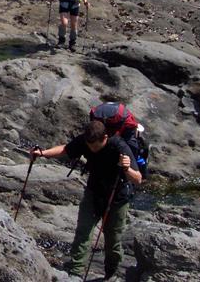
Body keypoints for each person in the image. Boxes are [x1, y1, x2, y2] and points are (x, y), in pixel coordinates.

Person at [31, 120, 142, 280]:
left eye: (95, 145)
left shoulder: (119, 146)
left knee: (113, 240)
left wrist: (127, 168)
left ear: (105, 137)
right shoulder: (86, 140)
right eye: (89, 146)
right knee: (83, 230)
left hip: (117, 197)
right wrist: (42, 153)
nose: (92, 149)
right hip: (94, 192)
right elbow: (65, 149)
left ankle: (111, 271)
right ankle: (75, 271)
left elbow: (137, 179)